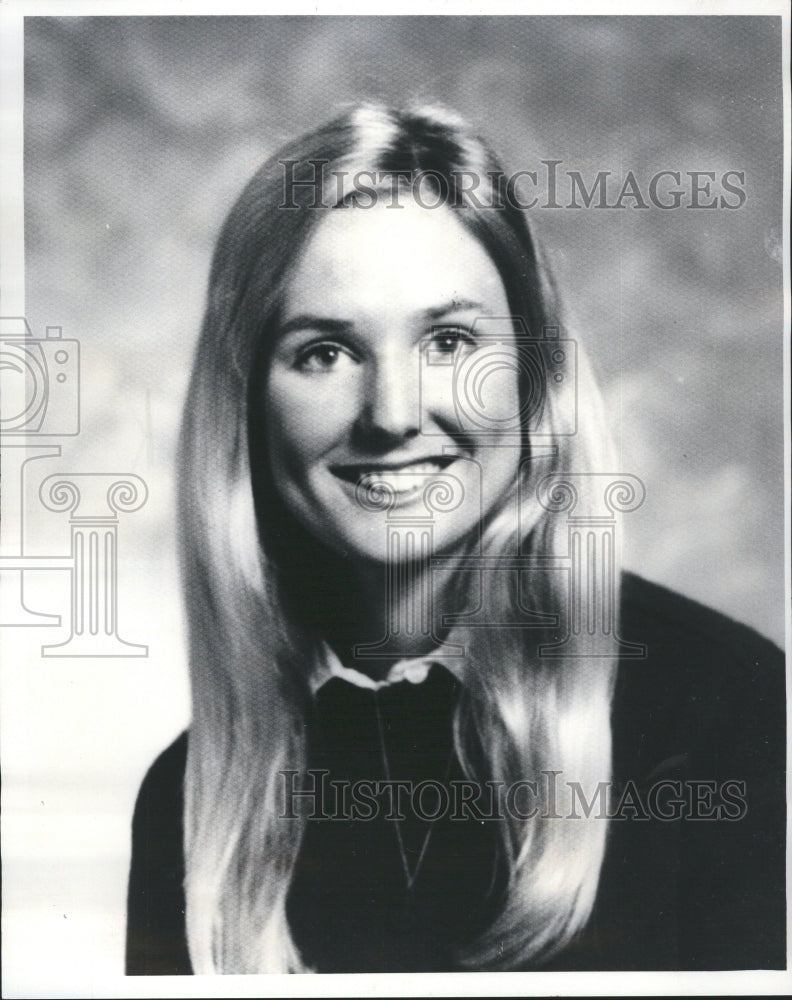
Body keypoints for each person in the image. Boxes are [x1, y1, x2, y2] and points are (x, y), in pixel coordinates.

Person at [126, 104, 785, 975]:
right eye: (325, 352)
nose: (394, 415)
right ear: (245, 404)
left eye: (449, 341)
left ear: (535, 377)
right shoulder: (189, 800)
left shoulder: (727, 714)